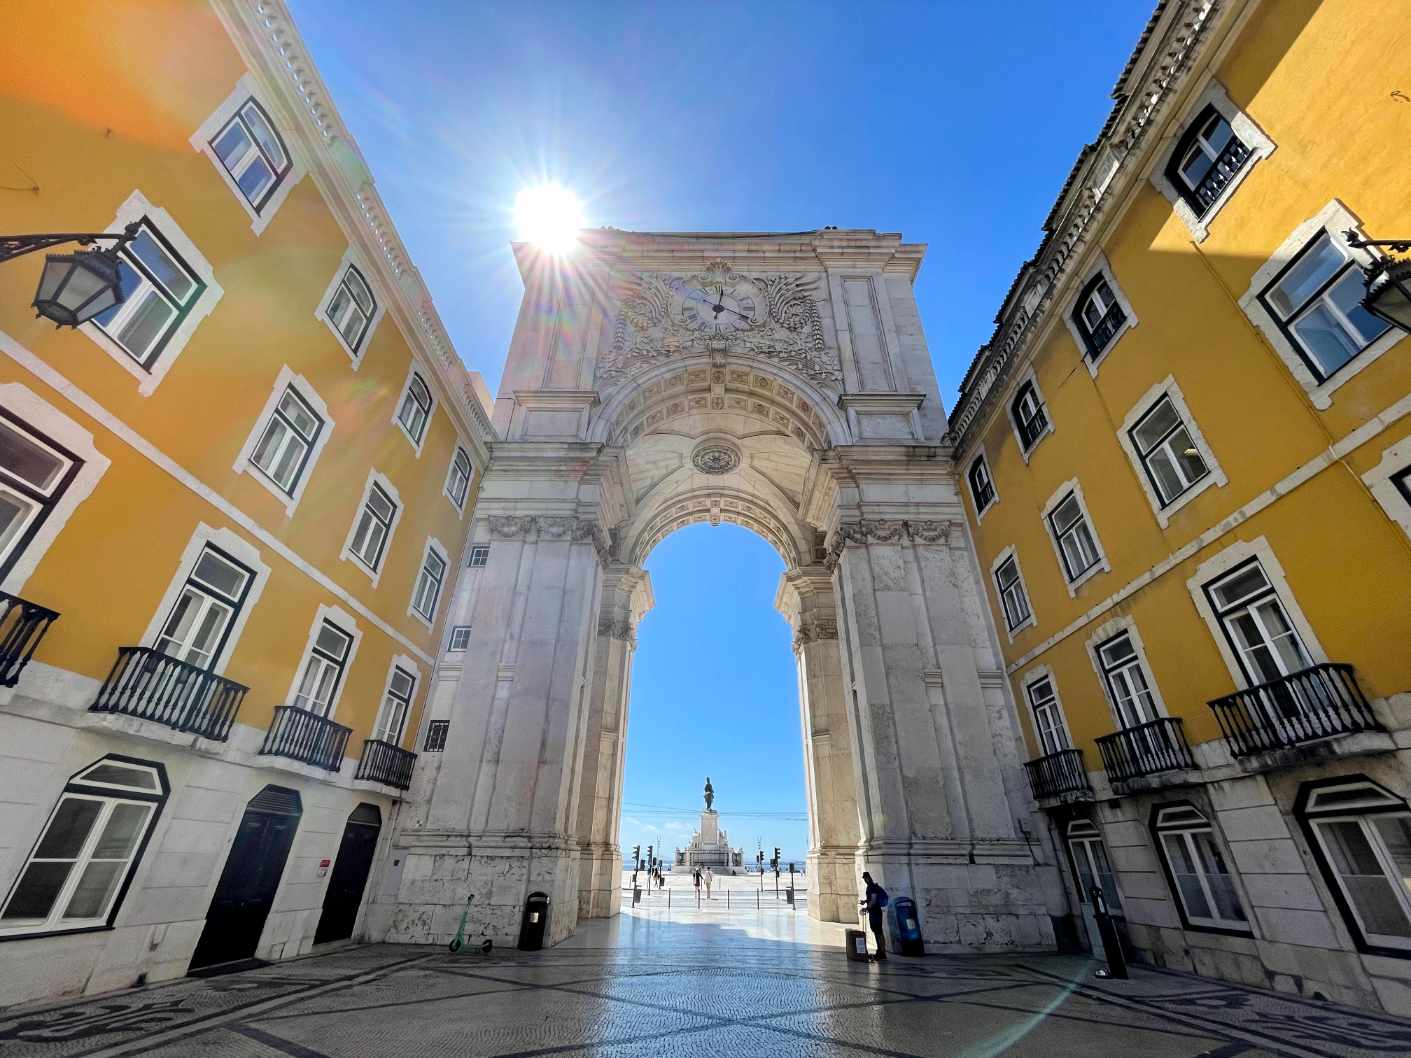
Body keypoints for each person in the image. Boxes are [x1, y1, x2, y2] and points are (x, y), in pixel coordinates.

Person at [859, 871, 888, 961]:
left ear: (868, 878)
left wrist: (867, 908)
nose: (864, 880)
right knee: (877, 932)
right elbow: (871, 898)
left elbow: (874, 900)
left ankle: (881, 952)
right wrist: (865, 901)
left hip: (875, 913)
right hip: (875, 912)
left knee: (878, 933)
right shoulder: (872, 887)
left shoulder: (871, 887)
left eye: (865, 878)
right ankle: (880, 951)